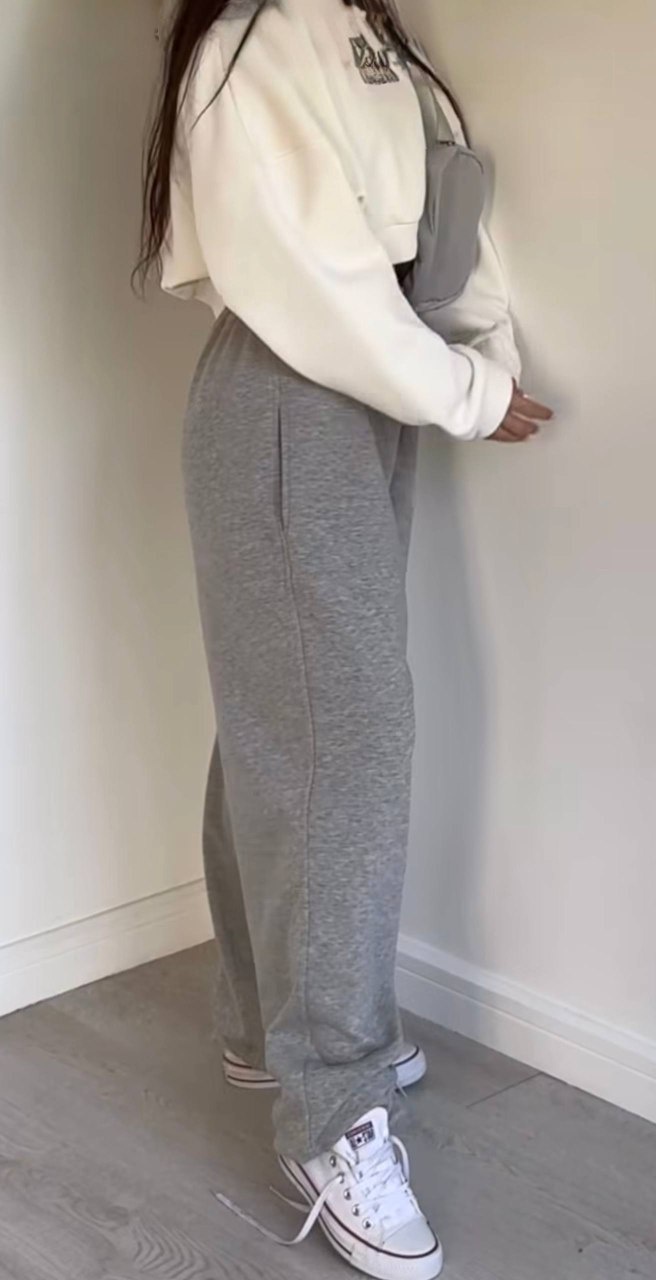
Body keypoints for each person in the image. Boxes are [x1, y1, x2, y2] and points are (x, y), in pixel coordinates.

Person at [137, 2, 553, 1276]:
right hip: (288, 393)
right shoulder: (248, 41)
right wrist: (465, 391)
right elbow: (309, 282)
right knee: (339, 735)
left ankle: (268, 1021)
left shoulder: (368, 27)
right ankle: (331, 1101)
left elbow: (439, 217)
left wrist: (477, 355)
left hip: (364, 395)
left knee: (290, 718)